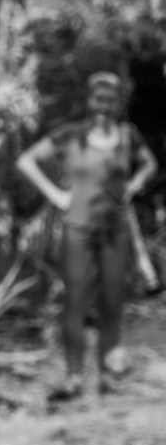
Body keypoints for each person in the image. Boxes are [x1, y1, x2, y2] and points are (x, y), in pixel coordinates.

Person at [16, 70, 158, 400]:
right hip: (78, 230)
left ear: (118, 103)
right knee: (74, 303)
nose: (103, 107)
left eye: (110, 101)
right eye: (98, 99)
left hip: (116, 231)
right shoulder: (71, 135)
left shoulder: (128, 136)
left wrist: (134, 186)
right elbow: (27, 161)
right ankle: (73, 377)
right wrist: (57, 195)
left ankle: (108, 376)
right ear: (88, 100)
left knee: (112, 302)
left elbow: (149, 165)